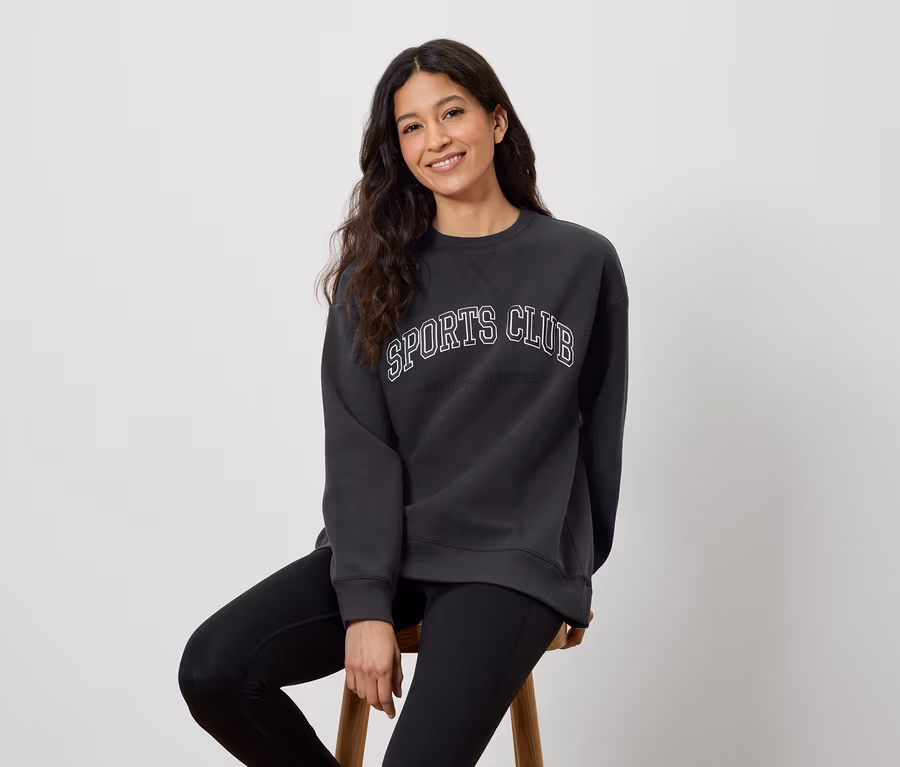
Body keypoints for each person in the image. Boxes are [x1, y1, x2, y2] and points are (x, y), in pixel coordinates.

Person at [177, 37, 628, 767]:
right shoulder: (373, 276)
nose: (434, 139)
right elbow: (359, 448)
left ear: (497, 121)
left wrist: (575, 571)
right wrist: (365, 604)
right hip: (392, 547)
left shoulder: (582, 261)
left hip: (512, 560)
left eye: (451, 112)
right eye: (411, 126)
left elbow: (600, 433)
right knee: (214, 668)